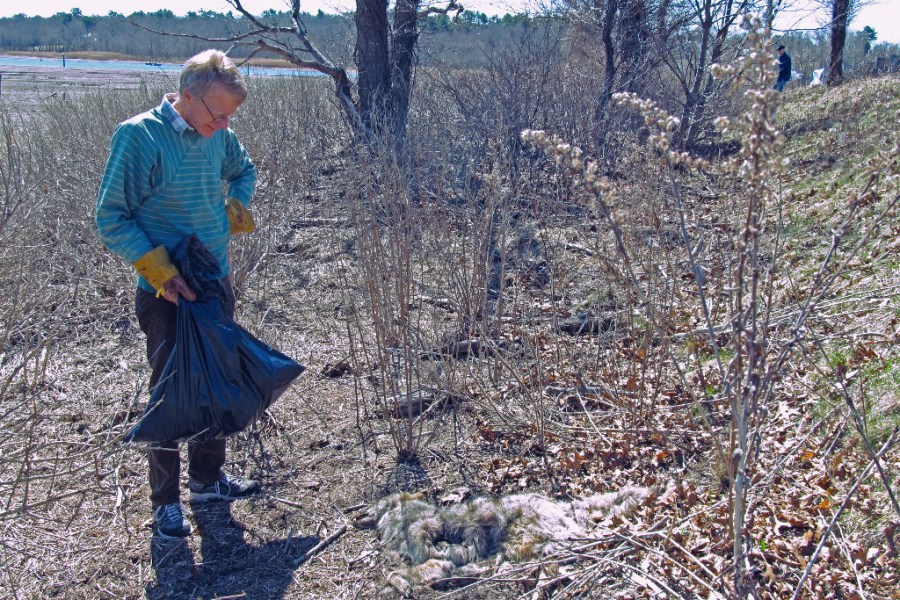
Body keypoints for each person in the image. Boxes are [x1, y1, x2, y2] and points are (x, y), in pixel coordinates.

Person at [96, 49, 260, 539]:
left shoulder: (219, 134)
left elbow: (244, 170)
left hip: (214, 281)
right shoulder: (139, 136)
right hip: (165, 292)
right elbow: (111, 217)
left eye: (230, 116)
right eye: (217, 114)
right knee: (170, 392)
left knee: (217, 380)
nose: (224, 124)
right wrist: (162, 274)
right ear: (187, 95)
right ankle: (165, 504)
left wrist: (234, 207)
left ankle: (207, 482)